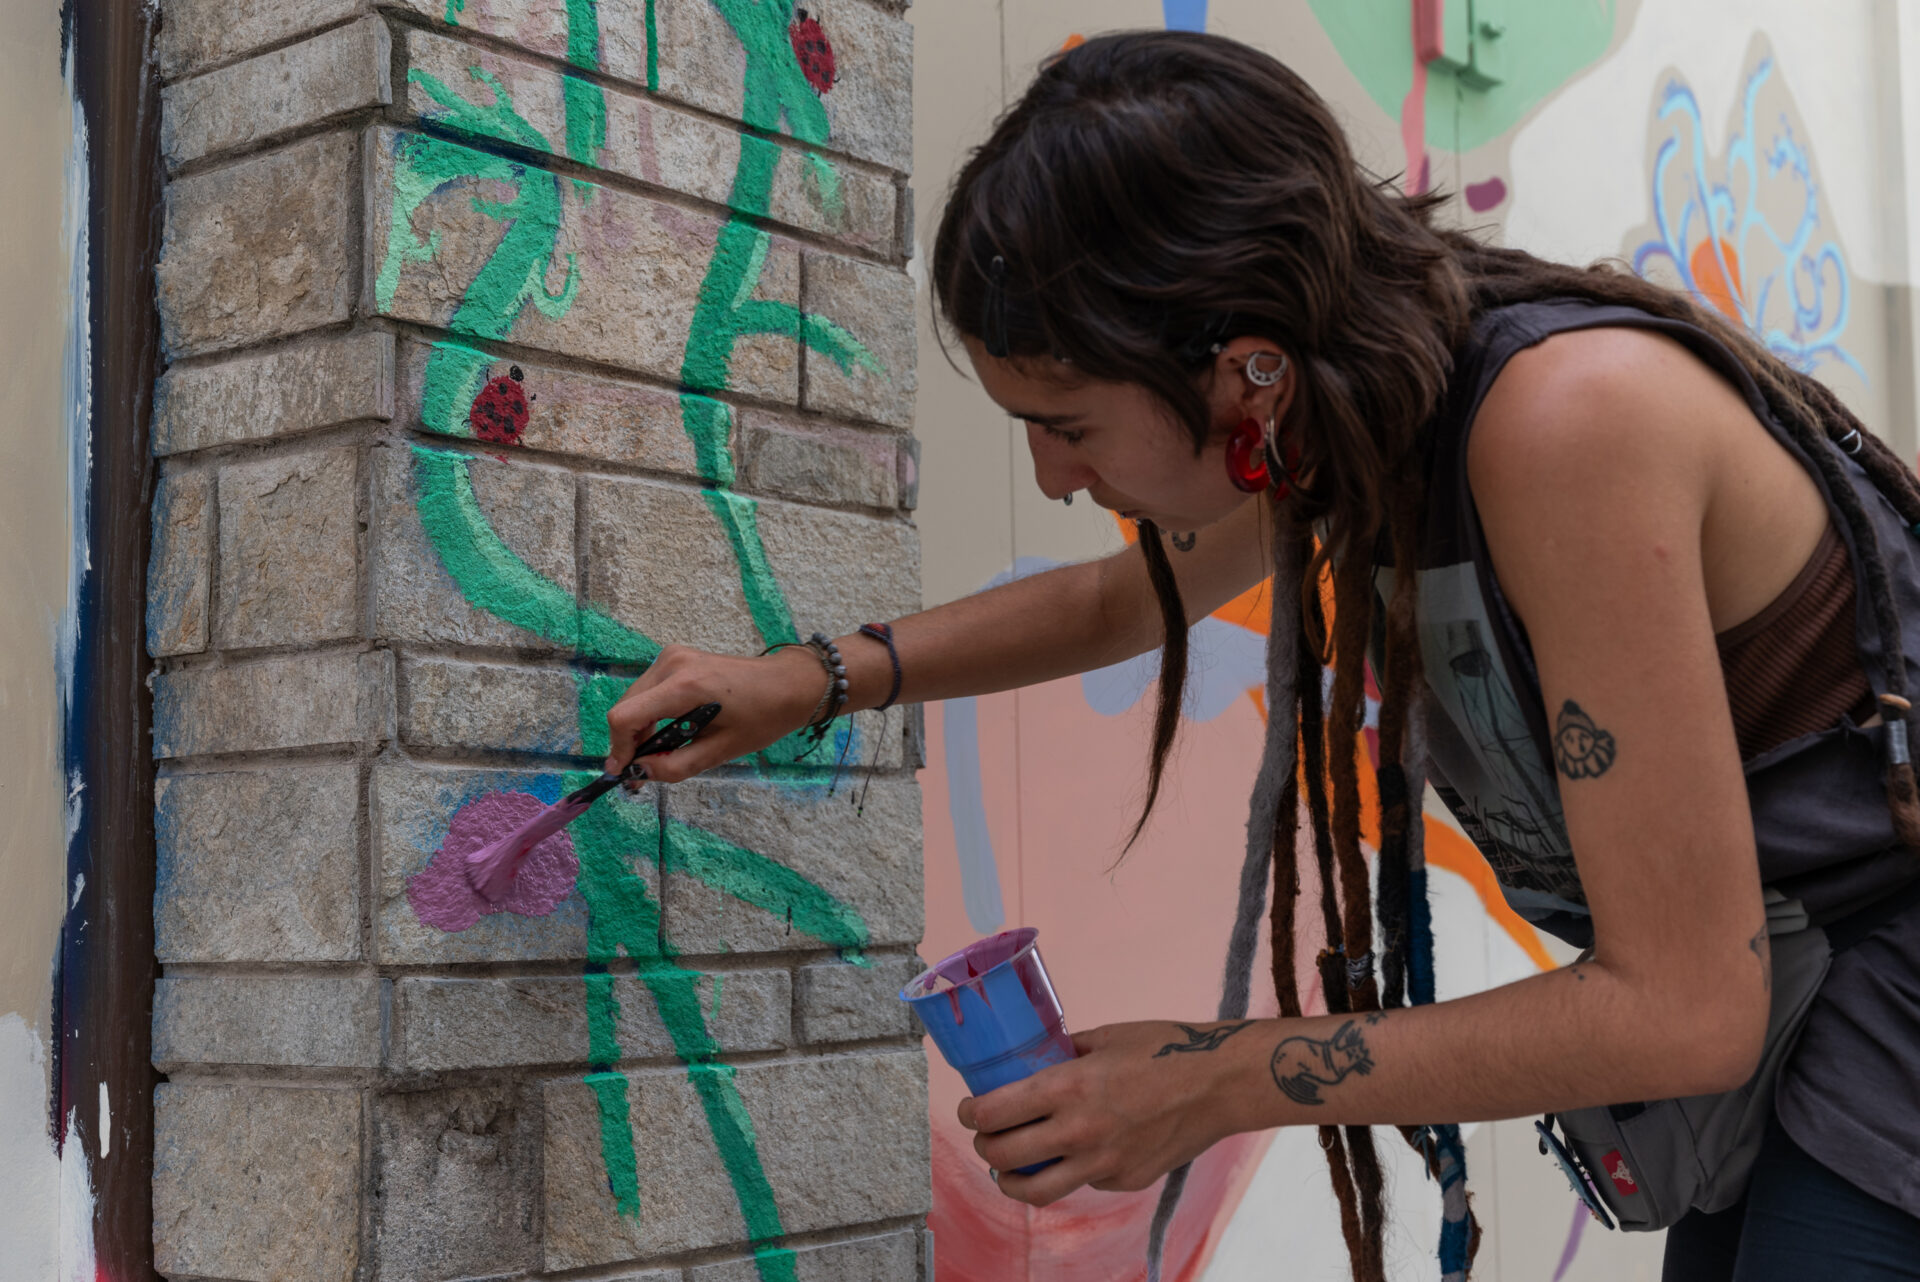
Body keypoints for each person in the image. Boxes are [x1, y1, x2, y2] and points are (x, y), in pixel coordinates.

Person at [600, 31, 1920, 1282]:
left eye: (1067, 425)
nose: (1051, 478)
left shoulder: (1565, 425)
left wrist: (1217, 1078)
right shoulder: (1345, 408)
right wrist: (809, 679)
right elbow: (1122, 602)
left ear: (1249, 370)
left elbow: (1684, 1008)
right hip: (1815, 1012)